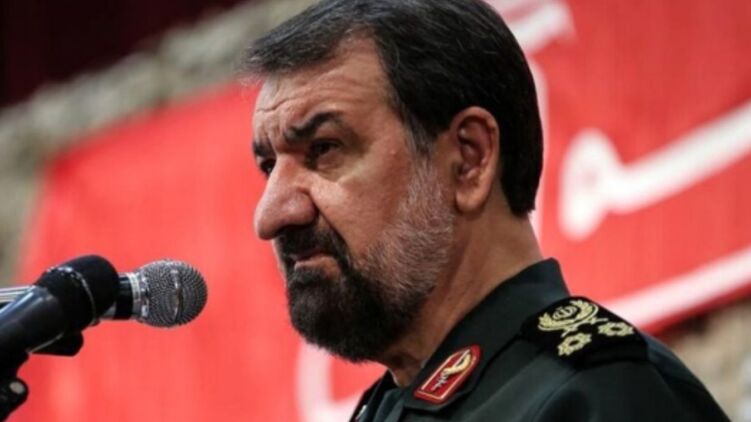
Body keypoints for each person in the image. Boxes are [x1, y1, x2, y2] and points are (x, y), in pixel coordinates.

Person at [243, 0, 729, 420]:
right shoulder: (391, 407)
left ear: (469, 159)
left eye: (324, 149)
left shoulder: (601, 396)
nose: (271, 215)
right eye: (269, 166)